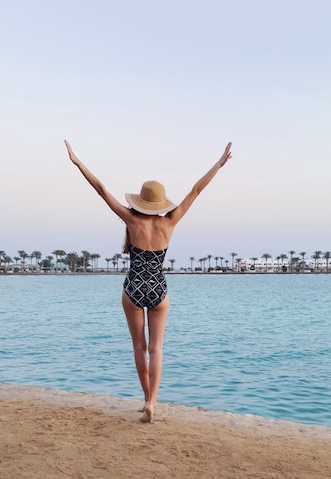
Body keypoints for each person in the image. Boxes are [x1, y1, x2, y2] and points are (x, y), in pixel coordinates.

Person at [64, 140, 232, 423]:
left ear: (141, 201)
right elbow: (196, 190)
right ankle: (153, 401)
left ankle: (145, 399)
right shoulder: (170, 222)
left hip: (133, 288)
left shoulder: (131, 220)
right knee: (156, 348)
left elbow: (101, 190)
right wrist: (218, 164)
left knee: (139, 347)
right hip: (158, 289)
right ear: (160, 203)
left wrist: (78, 162)